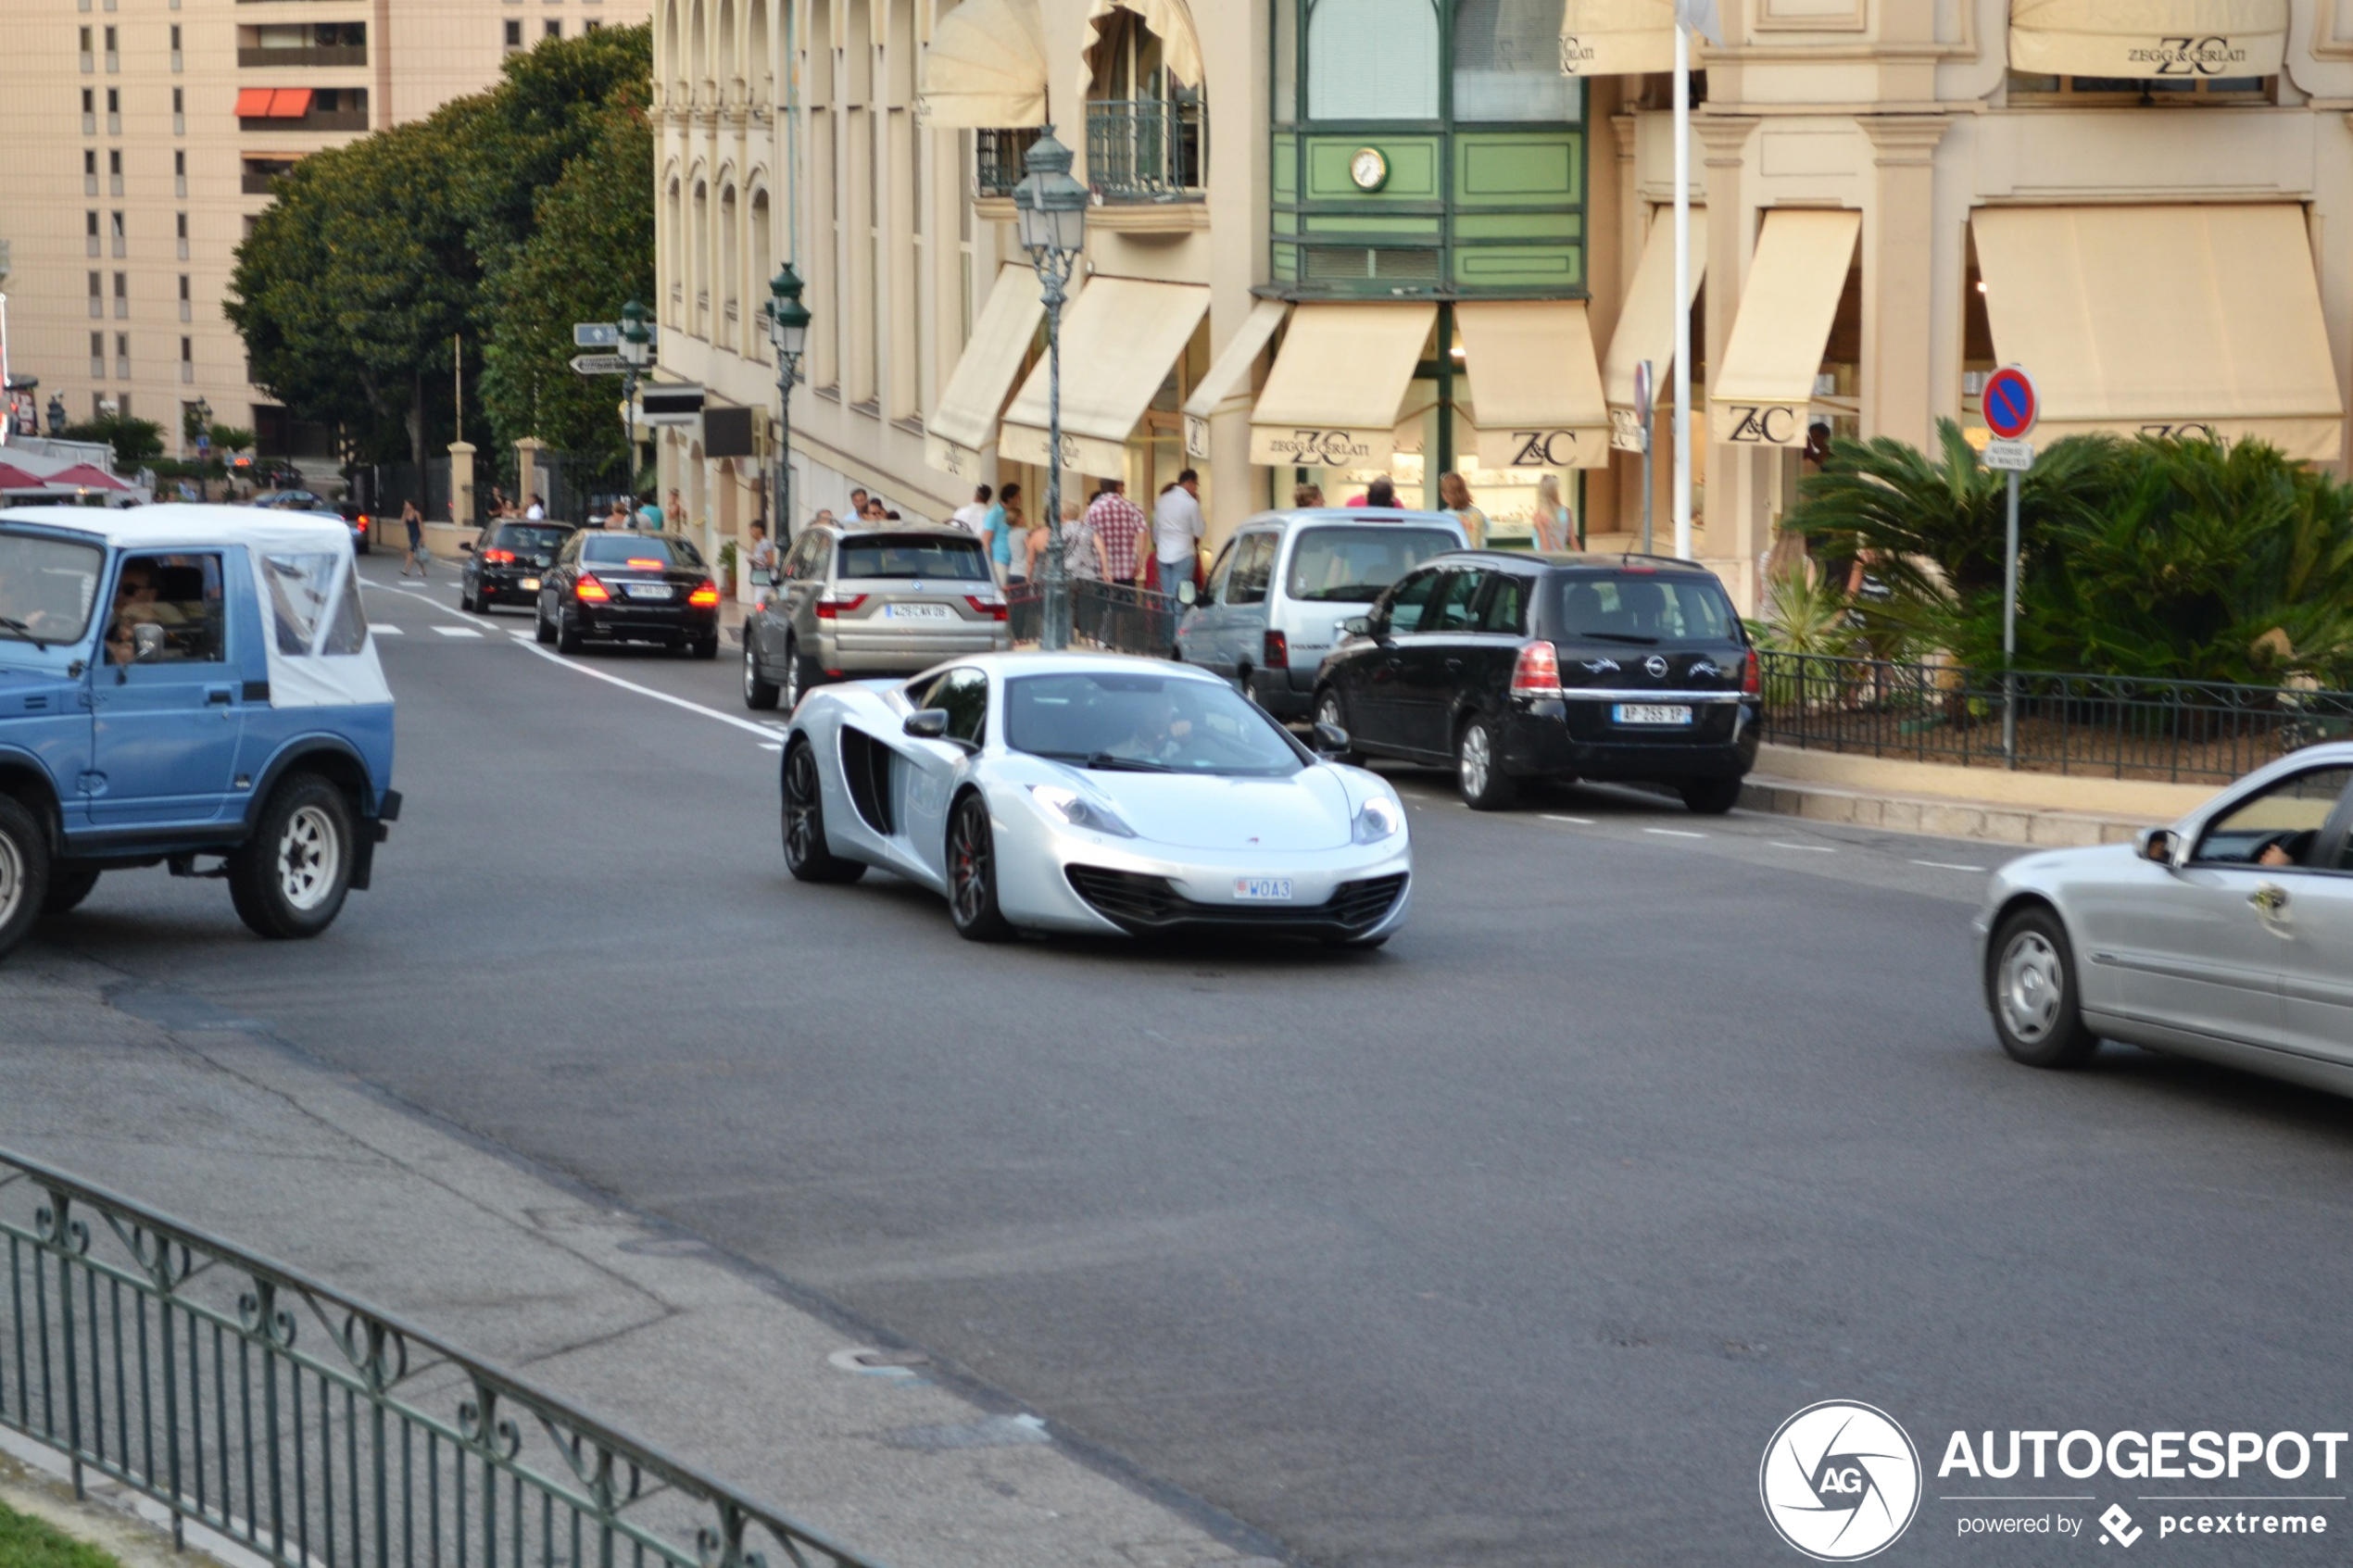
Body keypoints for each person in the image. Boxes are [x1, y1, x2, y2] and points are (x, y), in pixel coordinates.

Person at [1085, 479, 1150, 587]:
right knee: (1126, 603)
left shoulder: (1093, 509)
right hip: (1127, 569)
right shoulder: (1134, 508)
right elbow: (1142, 535)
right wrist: (1140, 560)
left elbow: (1087, 536)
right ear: (1116, 487)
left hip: (1101, 569)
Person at [1151, 469, 1204, 599]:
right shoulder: (1191, 504)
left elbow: (1156, 529)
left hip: (1163, 555)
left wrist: (1161, 545)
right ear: (1190, 482)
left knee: (1167, 598)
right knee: (1181, 599)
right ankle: (1179, 621)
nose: (1196, 489)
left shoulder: (1162, 500)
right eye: (1196, 485)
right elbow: (1199, 530)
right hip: (1183, 554)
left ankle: (1168, 620)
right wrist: (1198, 505)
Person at [1439, 471, 1487, 548]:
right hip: (1478, 558)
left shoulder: (1445, 517)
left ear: (1444, 495)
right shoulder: (1477, 514)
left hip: (1456, 559)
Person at [1531, 472, 1573, 551]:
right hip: (1563, 556)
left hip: (1548, 560)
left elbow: (1545, 546)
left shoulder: (1539, 516)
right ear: (1555, 492)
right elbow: (1573, 541)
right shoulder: (1567, 512)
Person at [980, 484, 1013, 583]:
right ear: (1010, 498)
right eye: (1018, 496)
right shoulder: (994, 514)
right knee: (1001, 589)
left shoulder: (1011, 513)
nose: (1020, 499)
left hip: (1011, 560)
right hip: (998, 559)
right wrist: (989, 561)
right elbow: (986, 540)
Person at [1000, 486, 1029, 585]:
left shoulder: (1010, 533)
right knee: (1024, 600)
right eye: (1024, 517)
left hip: (1012, 571)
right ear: (1019, 519)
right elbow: (1030, 546)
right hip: (1022, 572)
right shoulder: (1024, 532)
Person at [747, 520, 779, 604]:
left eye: (753, 529)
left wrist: (755, 561)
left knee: (760, 601)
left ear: (760, 530)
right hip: (760, 577)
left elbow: (770, 561)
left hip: (765, 577)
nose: (751, 532)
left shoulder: (765, 543)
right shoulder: (759, 544)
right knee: (759, 600)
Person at [400, 500, 428, 576]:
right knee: (416, 554)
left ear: (412, 505)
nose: (406, 506)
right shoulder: (406, 514)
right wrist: (404, 513)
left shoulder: (416, 513)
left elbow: (421, 525)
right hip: (411, 535)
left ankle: (406, 570)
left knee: (410, 551)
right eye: (405, 504)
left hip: (417, 535)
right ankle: (423, 571)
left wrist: (422, 537)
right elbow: (402, 523)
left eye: (407, 504)